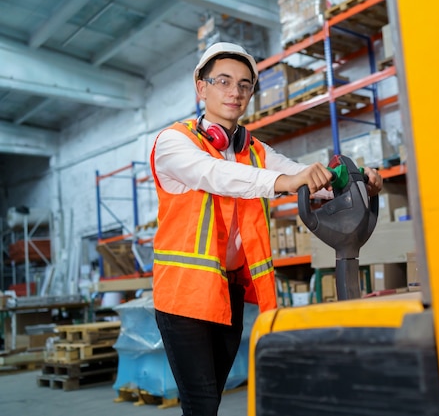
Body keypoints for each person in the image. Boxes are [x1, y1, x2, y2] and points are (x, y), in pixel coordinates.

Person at [149, 41, 383, 416]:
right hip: (184, 294)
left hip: (229, 292)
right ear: (201, 86)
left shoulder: (256, 152)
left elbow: (304, 177)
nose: (234, 92)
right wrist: (284, 181)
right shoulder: (174, 143)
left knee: (212, 398)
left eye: (244, 85)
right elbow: (218, 175)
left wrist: (353, 181)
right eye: (223, 81)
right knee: (201, 403)